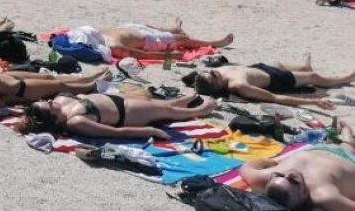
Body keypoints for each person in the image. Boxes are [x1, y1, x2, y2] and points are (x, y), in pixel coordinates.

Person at [0, 32, 106, 108]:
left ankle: (90, 77)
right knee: (59, 85)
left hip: (7, 77)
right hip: (19, 90)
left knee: (50, 78)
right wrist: (14, 100)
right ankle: (92, 85)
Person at [238, 119, 355, 210]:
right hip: (347, 158)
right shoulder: (325, 196)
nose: (289, 173)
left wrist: (274, 161)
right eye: (293, 180)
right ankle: (348, 136)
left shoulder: (263, 177)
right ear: (303, 195)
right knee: (348, 146)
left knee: (333, 141)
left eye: (279, 175)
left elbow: (246, 167)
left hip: (317, 148)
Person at [16, 92, 216, 140]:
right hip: (127, 114)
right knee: (168, 113)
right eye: (50, 106)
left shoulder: (60, 101)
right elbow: (114, 132)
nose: (52, 102)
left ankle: (178, 102)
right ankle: (199, 111)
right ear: (53, 118)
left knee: (163, 105)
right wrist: (149, 131)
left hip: (116, 98)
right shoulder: (75, 122)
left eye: (48, 101)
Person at [183, 56, 354, 110]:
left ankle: (303, 66)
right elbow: (274, 97)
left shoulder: (218, 73)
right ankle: (345, 79)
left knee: (280, 63)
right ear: (216, 86)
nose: (213, 71)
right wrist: (314, 102)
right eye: (211, 75)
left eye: (208, 72)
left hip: (259, 68)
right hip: (276, 80)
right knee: (313, 76)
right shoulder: (238, 86)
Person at [97, 19, 233, 59]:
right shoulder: (114, 45)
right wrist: (169, 56)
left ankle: (174, 28)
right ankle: (215, 43)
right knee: (183, 38)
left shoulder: (93, 34)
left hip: (129, 28)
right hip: (147, 39)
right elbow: (140, 54)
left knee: (148, 25)